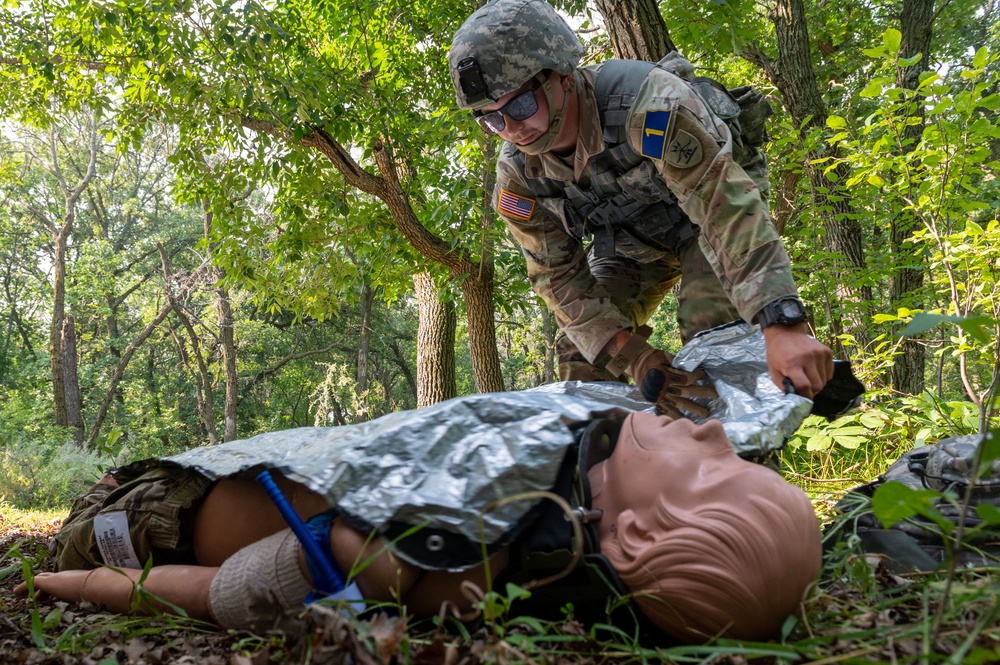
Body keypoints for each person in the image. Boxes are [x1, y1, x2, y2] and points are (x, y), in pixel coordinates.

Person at [15, 391, 822, 644]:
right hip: (221, 464)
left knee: (98, 509)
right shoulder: (560, 470)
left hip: (149, 509)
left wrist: (80, 578)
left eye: (716, 469)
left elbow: (229, 591)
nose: (718, 436)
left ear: (636, 534)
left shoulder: (445, 554)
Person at [447, 0, 834, 416]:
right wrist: (633, 356)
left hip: (706, 225)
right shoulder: (518, 176)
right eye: (491, 120)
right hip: (633, 244)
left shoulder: (649, 105)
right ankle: (618, 470)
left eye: (519, 106)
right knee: (583, 355)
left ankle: (742, 467)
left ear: (561, 74)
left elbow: (725, 207)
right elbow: (557, 276)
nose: (511, 128)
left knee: (713, 328)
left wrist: (781, 321)